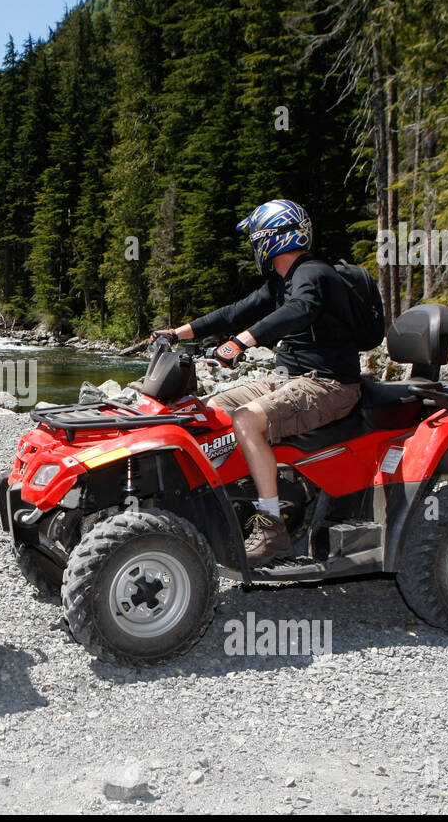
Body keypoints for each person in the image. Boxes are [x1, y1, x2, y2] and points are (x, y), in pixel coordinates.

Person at [152, 199, 362, 565]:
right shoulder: (280, 281)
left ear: (274, 239)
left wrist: (241, 342)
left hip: (329, 385)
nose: (254, 247)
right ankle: (228, 499)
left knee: (247, 419)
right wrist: (177, 332)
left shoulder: (313, 274)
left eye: (257, 239)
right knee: (210, 411)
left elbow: (301, 310)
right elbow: (237, 311)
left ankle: (271, 528)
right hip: (286, 378)